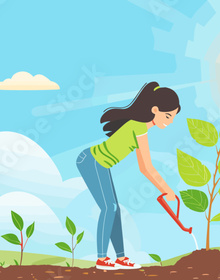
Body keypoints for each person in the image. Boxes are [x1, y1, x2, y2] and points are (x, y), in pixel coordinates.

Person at [76, 81, 181, 270]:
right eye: (168, 115)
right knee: (110, 208)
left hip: (100, 164)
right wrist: (166, 190)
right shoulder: (139, 127)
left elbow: (144, 166)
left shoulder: (141, 127)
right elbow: (146, 167)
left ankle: (121, 258)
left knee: (114, 210)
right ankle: (101, 259)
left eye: (173, 117)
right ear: (155, 110)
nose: (170, 121)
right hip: (91, 161)